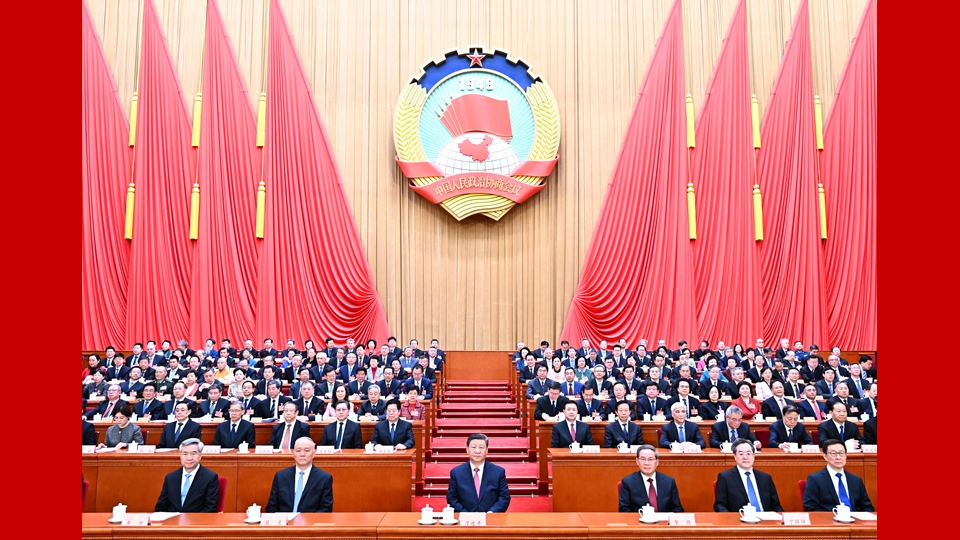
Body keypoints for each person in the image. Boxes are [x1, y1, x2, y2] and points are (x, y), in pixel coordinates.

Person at [802, 439, 874, 511]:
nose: (838, 457)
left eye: (841, 453)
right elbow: (810, 507)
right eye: (833, 453)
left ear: (846, 455)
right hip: (830, 517)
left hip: (854, 517)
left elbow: (867, 506)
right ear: (825, 456)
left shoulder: (856, 480)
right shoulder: (815, 479)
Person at [713, 438, 783, 512]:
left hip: (766, 518)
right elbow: (720, 505)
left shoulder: (765, 478)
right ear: (735, 456)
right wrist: (731, 518)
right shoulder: (725, 477)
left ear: (754, 456)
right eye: (741, 454)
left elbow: (776, 506)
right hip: (740, 517)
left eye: (749, 453)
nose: (745, 457)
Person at [446, 433, 511, 512]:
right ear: (467, 449)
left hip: (491, 517)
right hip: (464, 517)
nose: (477, 451)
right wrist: (466, 514)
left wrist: (492, 512)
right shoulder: (456, 472)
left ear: (487, 450)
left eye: (481, 447)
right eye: (473, 447)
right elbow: (452, 498)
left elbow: (504, 497)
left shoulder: (498, 472)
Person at [266, 437, 334, 513]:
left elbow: (326, 509)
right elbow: (271, 507)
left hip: (310, 520)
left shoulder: (324, 478)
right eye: (298, 450)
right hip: (285, 519)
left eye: (307, 450)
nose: (302, 454)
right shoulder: (280, 476)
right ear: (293, 453)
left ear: (314, 453)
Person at [154, 438, 219, 512]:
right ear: (180, 456)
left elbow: (210, 508)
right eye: (185, 454)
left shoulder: (210, 477)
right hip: (173, 518)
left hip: (197, 518)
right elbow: (161, 506)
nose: (189, 458)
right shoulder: (170, 477)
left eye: (193, 454)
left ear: (200, 456)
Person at [618, 445, 683, 512]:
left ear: (657, 462)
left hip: (664, 518)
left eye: (650, 459)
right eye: (643, 459)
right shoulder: (628, 482)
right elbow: (624, 510)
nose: (647, 463)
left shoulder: (669, 481)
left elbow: (677, 508)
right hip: (640, 518)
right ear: (637, 461)